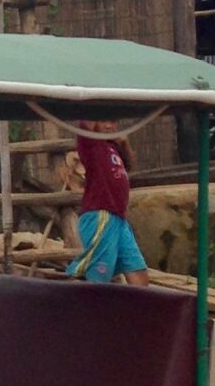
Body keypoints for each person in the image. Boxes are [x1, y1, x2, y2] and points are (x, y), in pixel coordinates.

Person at [60, 122, 151, 288]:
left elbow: (129, 164)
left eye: (112, 122)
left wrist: (124, 142)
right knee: (97, 276)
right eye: (104, 121)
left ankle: (140, 312)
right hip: (101, 215)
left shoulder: (112, 147)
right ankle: (70, 303)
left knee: (138, 272)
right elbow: (86, 122)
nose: (109, 126)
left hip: (118, 218)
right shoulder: (91, 144)